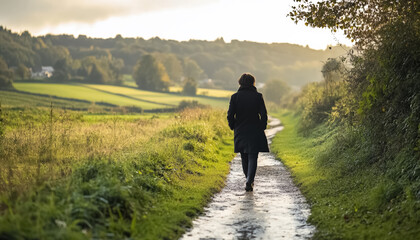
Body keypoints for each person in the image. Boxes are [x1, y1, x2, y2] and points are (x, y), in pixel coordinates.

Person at [227, 73, 269, 192]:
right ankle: (249, 181)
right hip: (255, 129)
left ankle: (248, 180)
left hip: (240, 129)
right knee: (253, 156)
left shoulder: (235, 97)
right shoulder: (258, 96)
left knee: (244, 156)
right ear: (252, 83)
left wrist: (233, 126)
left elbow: (230, 115)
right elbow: (264, 114)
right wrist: (262, 126)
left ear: (240, 82)